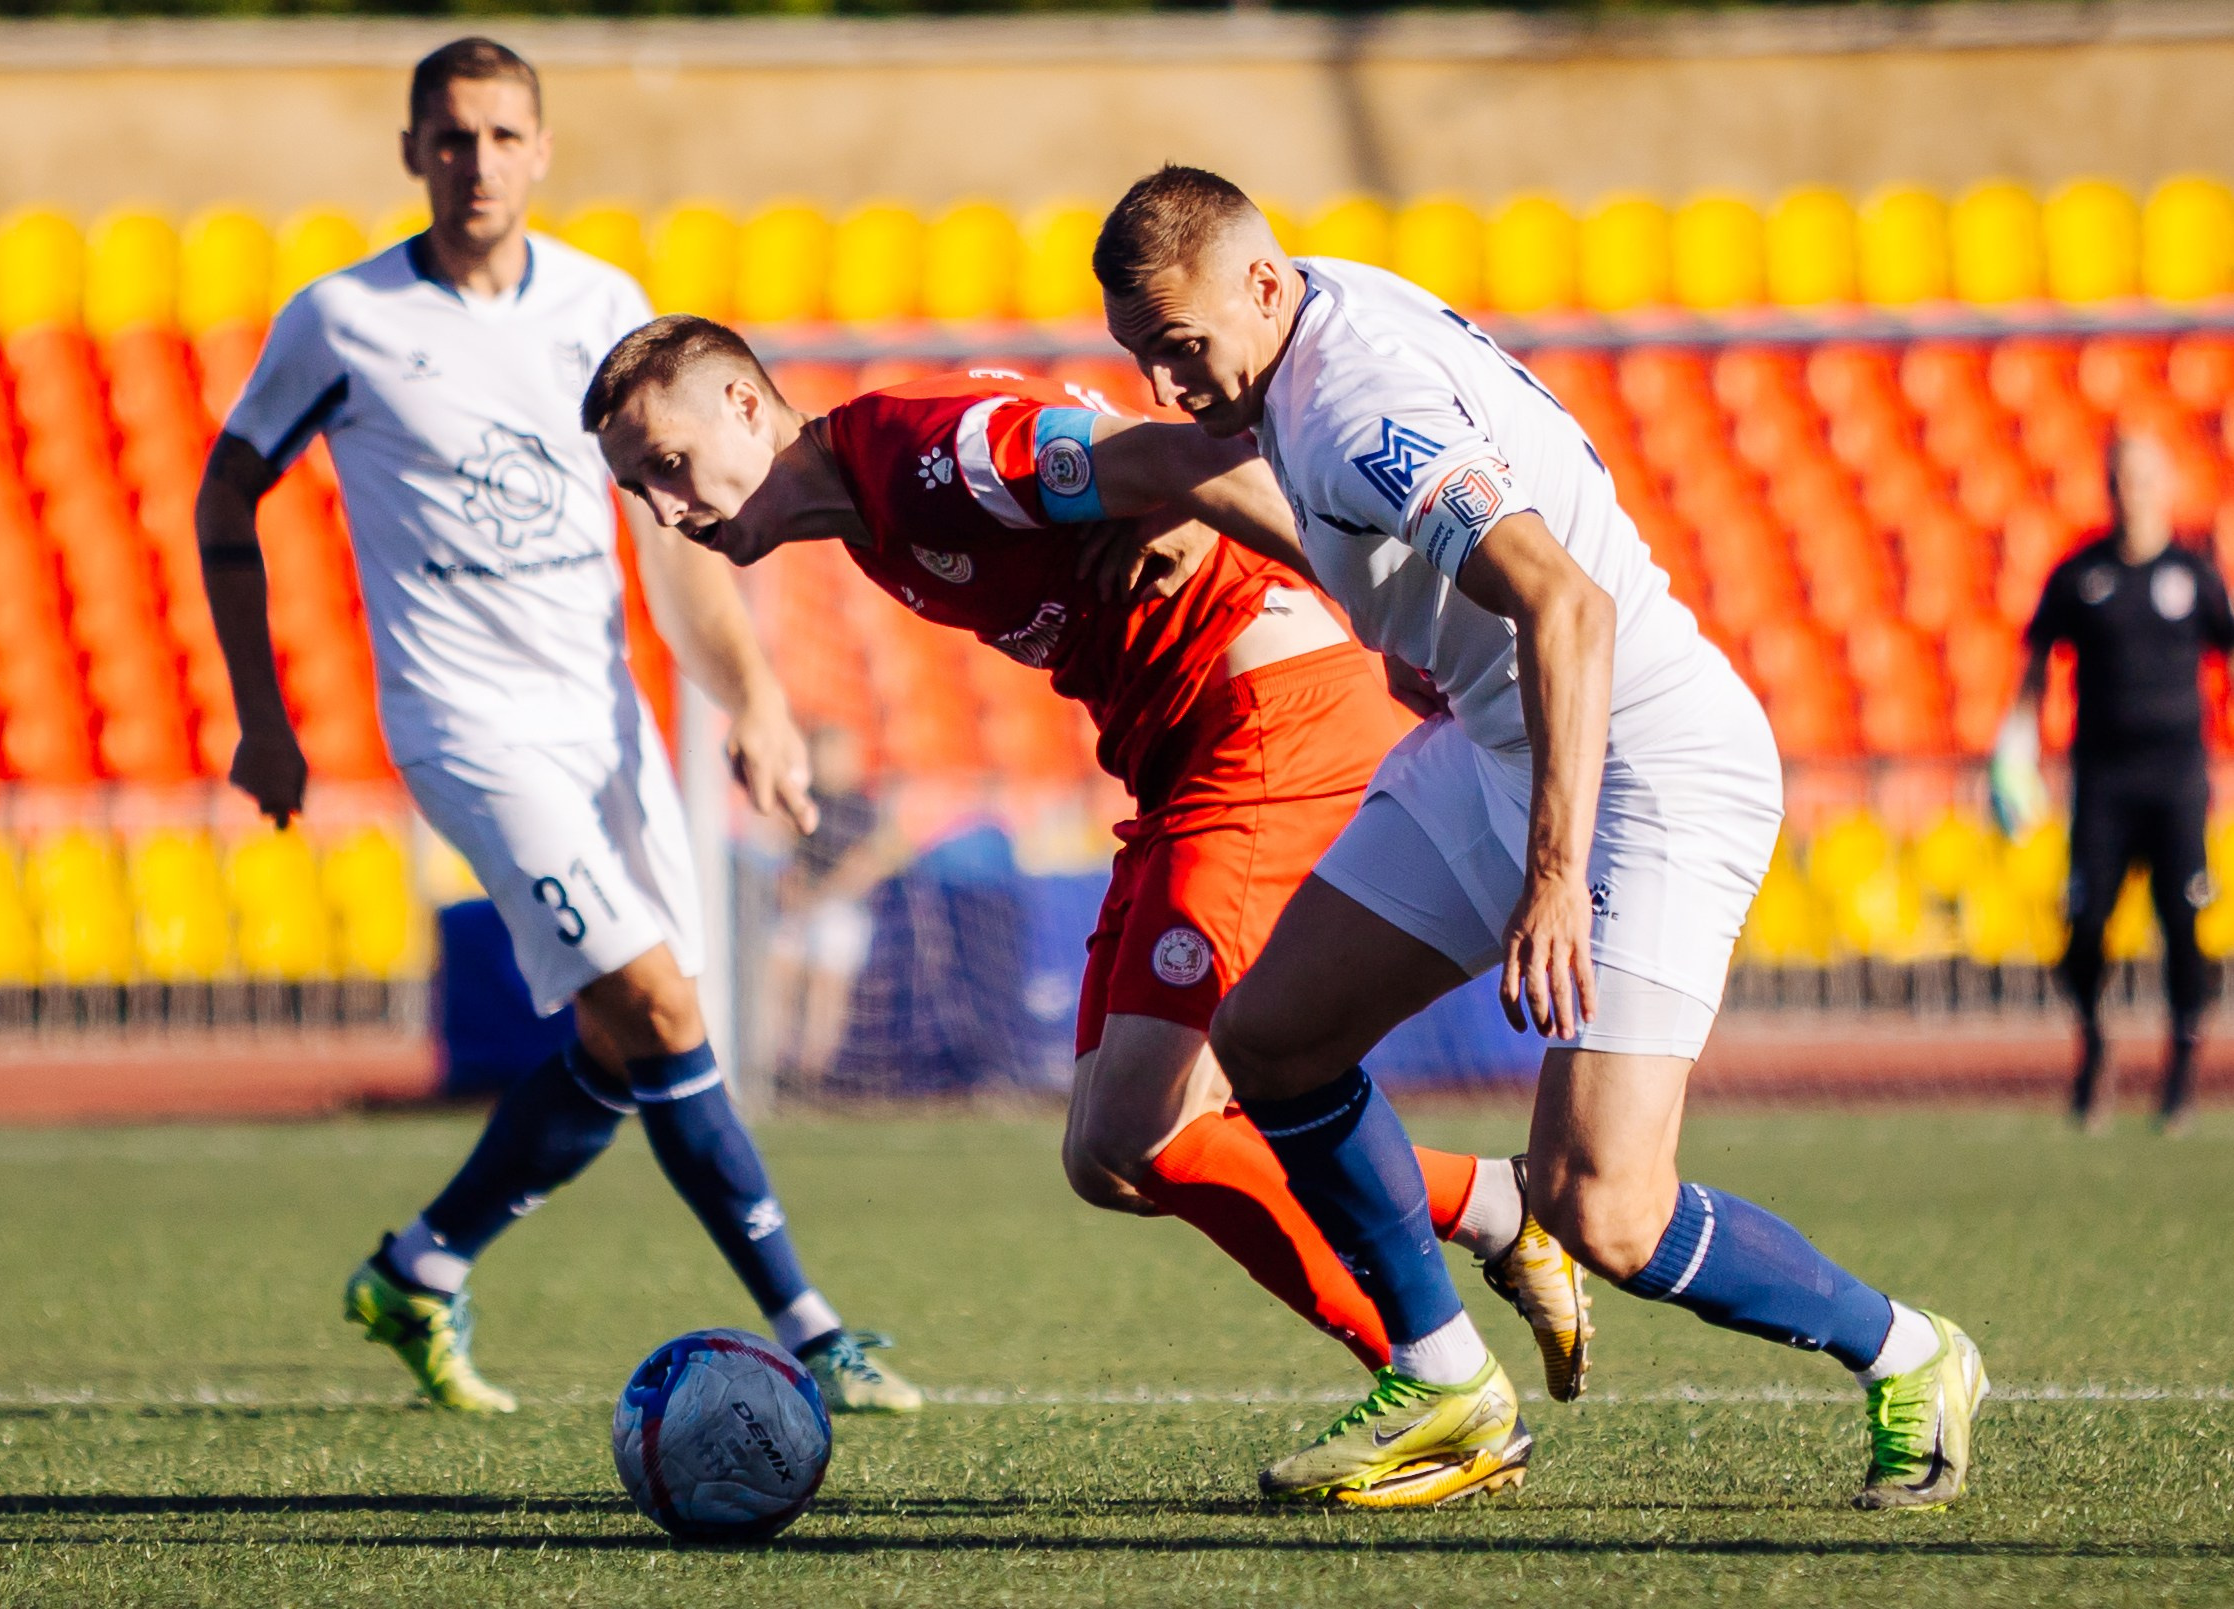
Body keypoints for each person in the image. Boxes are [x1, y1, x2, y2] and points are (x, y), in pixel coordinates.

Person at [1091, 165, 1984, 1510]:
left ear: (1263, 286)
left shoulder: (1346, 399)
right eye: (1141, 359)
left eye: (1179, 349)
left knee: (1604, 1206)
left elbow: (1563, 603)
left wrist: (1555, 878)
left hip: (1646, 763)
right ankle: (1445, 1382)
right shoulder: (1313, 323)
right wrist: (1409, 632)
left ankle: (1911, 1353)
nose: (1168, 384)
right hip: (1504, 733)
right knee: (1270, 1040)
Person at [576, 314, 1595, 1404]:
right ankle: (1496, 1206)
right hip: (1179, 763)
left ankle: (1433, 1383)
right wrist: (1149, 497)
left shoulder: (926, 454)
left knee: (1154, 1125)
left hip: (1264, 719)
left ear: (742, 404)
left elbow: (1201, 452)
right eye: (642, 490)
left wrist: (1394, 631)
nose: (668, 510)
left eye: (671, 468)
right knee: (1107, 1156)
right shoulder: (872, 508)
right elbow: (1127, 464)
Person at [194, 38, 918, 1415]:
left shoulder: (603, 306)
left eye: (502, 135)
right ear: (413, 151)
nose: (476, 161)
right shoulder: (340, 321)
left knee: (632, 1032)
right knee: (652, 1001)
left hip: (605, 719)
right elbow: (226, 496)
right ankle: (817, 1330)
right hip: (465, 726)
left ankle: (420, 1267)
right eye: (451, 138)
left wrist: (753, 699)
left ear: (540, 149)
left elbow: (681, 540)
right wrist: (259, 715)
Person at [1996, 432, 2231, 1133]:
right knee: (2086, 920)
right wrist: (2015, 748)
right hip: (2102, 781)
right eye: (2122, 478)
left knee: (2183, 923)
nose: (2134, 492)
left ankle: (2182, 1069)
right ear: (2109, 486)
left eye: (2145, 477)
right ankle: (2096, 1042)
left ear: (2164, 485)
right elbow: (2036, 668)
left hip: (2177, 779)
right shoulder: (2080, 576)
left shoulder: (2194, 574)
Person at [759, 725, 898, 1087]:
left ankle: (812, 1072)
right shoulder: (803, 799)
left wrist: (819, 897)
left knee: (827, 984)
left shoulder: (863, 807)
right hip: (800, 906)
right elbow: (784, 851)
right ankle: (776, 1065)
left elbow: (868, 864)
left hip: (841, 907)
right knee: (781, 974)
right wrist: (793, 889)